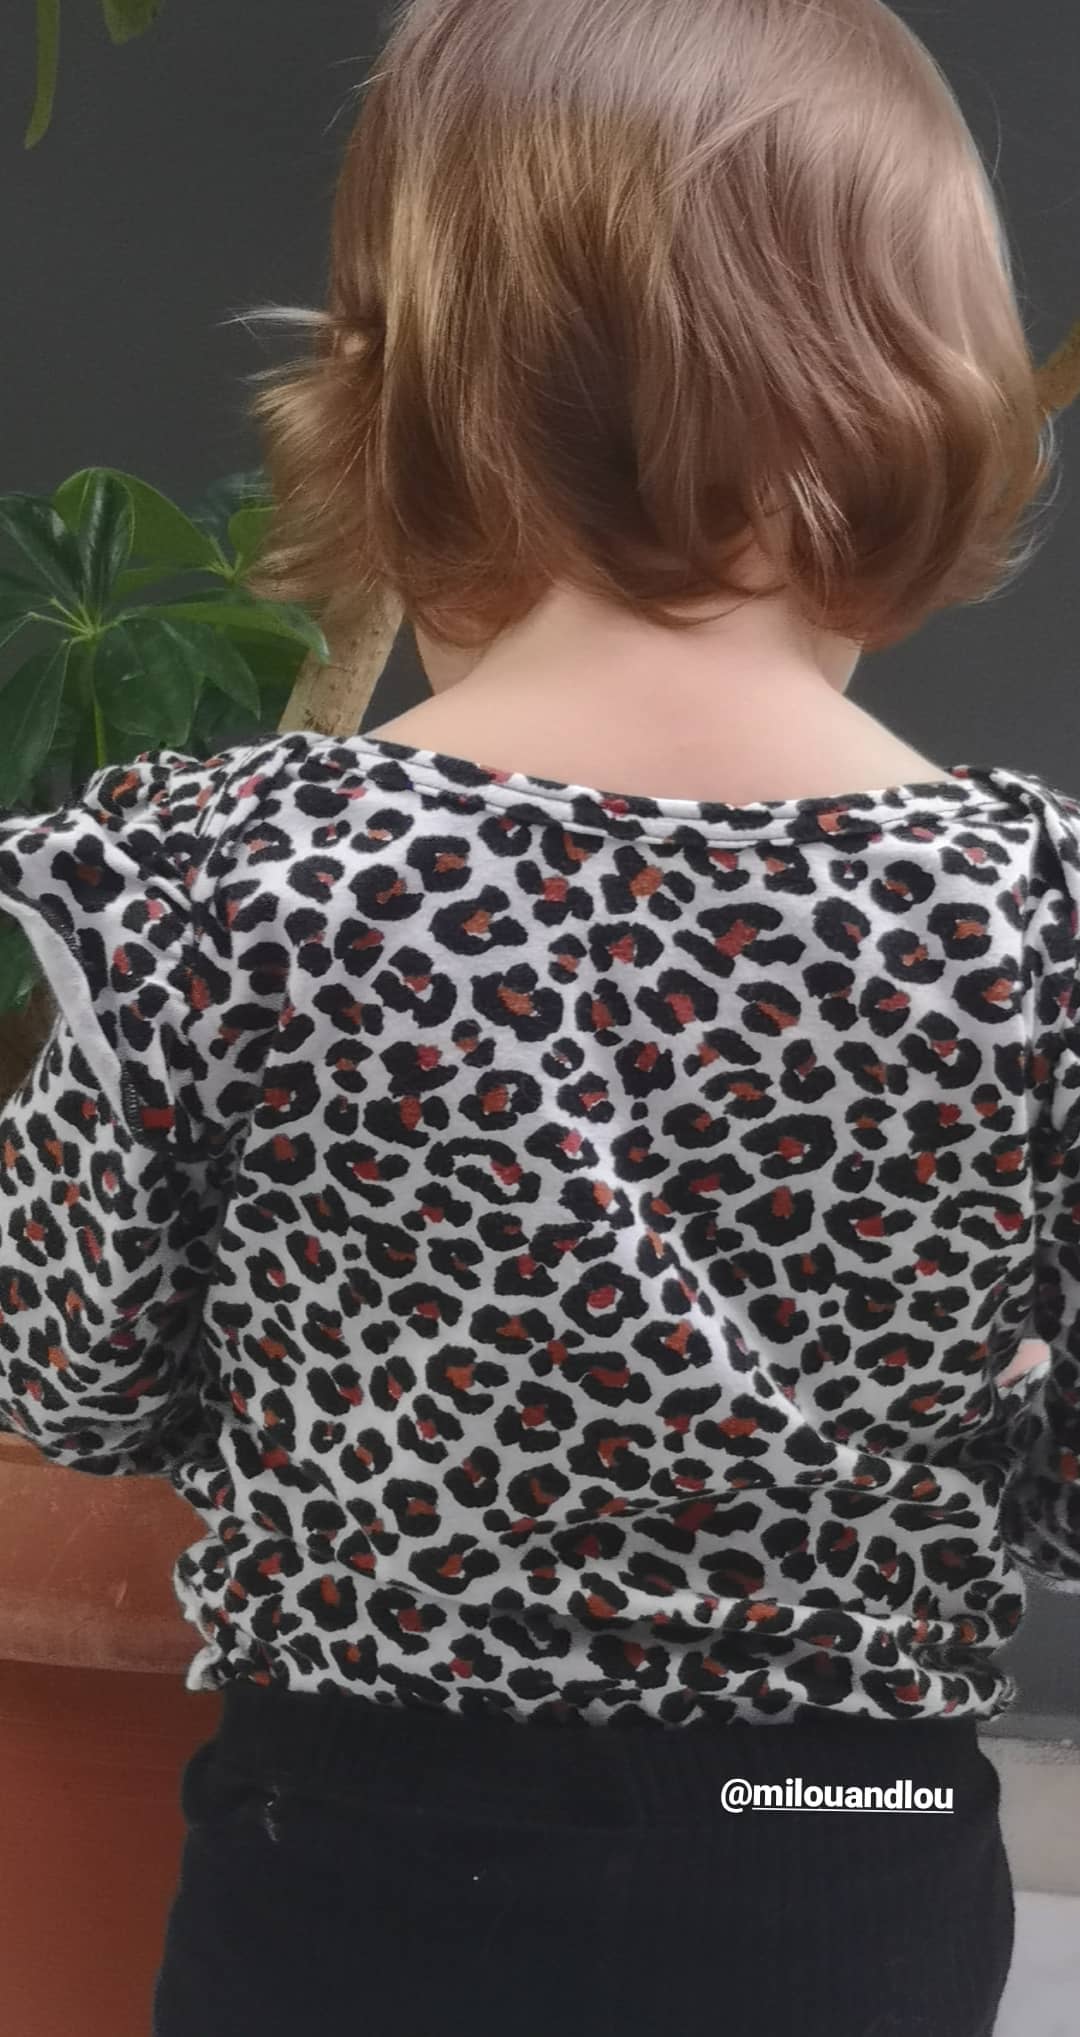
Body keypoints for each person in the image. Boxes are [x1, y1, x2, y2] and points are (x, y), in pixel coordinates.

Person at [0, 1, 1074, 2031]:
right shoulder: (1043, 913)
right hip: (839, 1847)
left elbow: (70, 1373)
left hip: (356, 1859)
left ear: (403, 389)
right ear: (919, 392)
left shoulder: (220, 873)